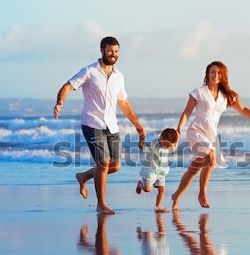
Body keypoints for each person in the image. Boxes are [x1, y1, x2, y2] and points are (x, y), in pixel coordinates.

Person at [53, 36, 146, 215]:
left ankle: (84, 176)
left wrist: (137, 124)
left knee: (116, 165)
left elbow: (124, 102)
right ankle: (101, 204)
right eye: (110, 51)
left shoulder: (119, 77)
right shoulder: (89, 71)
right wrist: (59, 102)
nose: (113, 54)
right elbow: (67, 86)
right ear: (101, 50)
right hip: (92, 123)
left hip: (112, 126)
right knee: (103, 163)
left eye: (116, 51)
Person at [171, 61, 250, 209]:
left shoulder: (226, 96)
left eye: (219, 73)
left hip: (210, 135)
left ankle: (176, 196)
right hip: (196, 132)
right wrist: (179, 129)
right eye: (212, 72)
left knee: (194, 169)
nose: (215, 75)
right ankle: (202, 194)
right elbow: (187, 112)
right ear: (207, 74)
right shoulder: (199, 92)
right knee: (210, 157)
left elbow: (243, 109)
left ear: (223, 76)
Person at [136, 128, 178, 212]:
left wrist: (178, 136)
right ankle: (140, 184)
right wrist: (141, 138)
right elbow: (141, 146)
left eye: (169, 146)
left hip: (161, 171)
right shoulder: (152, 144)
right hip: (150, 170)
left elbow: (174, 148)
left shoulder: (168, 144)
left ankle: (157, 207)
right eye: (166, 146)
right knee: (148, 189)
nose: (167, 148)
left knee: (162, 189)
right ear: (161, 138)